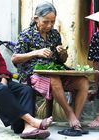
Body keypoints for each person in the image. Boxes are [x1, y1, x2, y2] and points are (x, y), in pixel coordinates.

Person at [11, 2, 89, 135]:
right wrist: (36, 52)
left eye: (52, 22)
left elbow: (61, 60)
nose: (49, 25)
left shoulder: (54, 34)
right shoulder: (26, 34)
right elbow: (15, 58)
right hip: (33, 75)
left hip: (54, 73)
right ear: (36, 18)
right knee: (54, 78)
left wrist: (62, 53)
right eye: (46, 21)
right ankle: (69, 115)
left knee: (83, 81)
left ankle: (75, 124)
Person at [0, 7, 53, 139]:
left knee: (26, 90)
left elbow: (0, 61)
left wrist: (3, 77)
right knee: (2, 90)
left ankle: (25, 127)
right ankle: (31, 122)